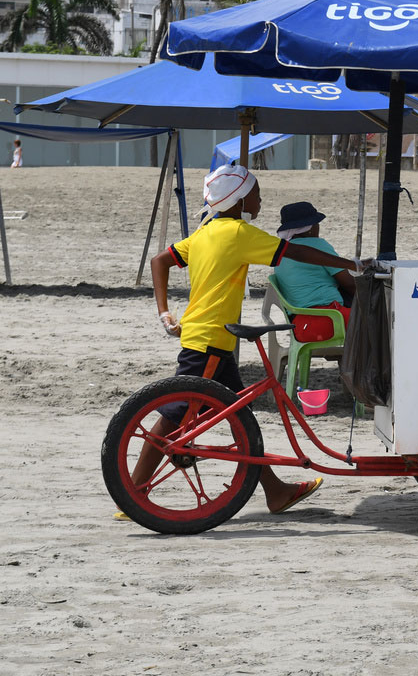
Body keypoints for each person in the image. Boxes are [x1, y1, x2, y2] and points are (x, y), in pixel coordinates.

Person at [134, 164, 369, 516]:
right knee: (175, 415)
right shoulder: (237, 232)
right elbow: (297, 252)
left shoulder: (205, 232)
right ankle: (132, 492)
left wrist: (164, 311)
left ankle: (275, 491)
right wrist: (347, 263)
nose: (259, 200)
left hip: (213, 337)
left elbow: (160, 260)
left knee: (241, 418)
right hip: (210, 339)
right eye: (256, 194)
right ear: (240, 198)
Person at [272, 201, 356, 343]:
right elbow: (349, 284)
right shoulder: (318, 246)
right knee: (375, 323)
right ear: (309, 228)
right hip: (327, 321)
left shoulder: (283, 251)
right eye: (316, 223)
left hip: (300, 326)